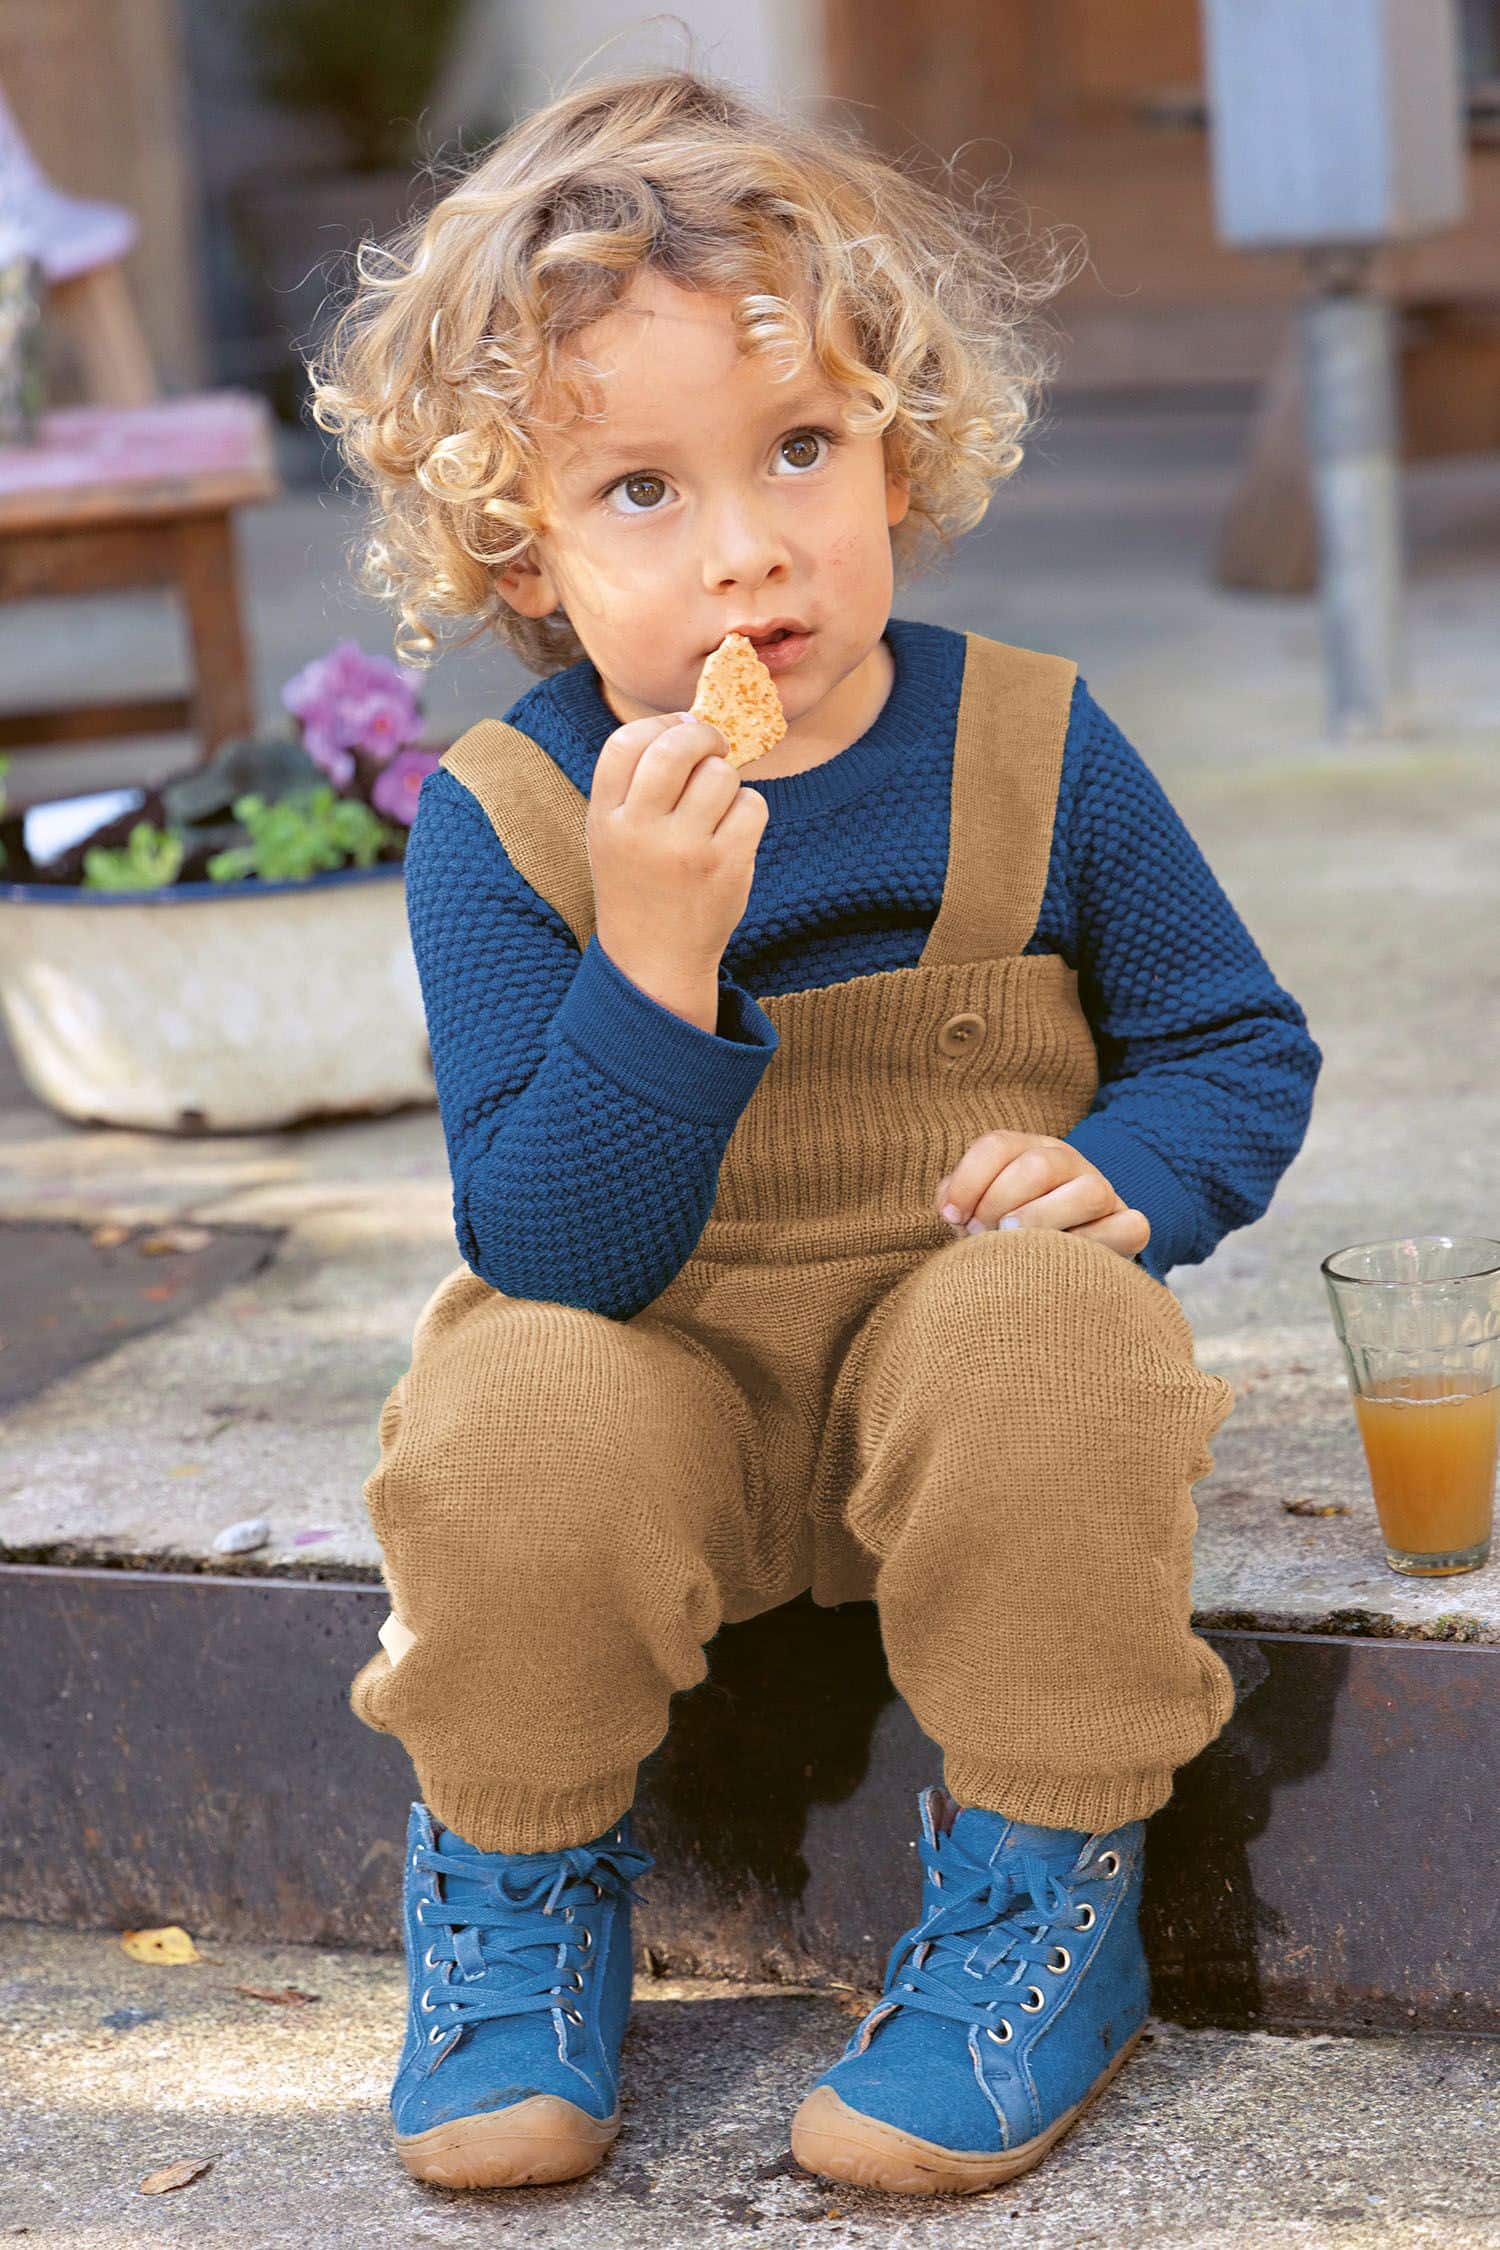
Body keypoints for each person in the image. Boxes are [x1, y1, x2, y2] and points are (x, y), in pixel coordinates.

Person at [310, 61, 1322, 2199]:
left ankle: (1052, 1891)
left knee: (1058, 1325)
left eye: (800, 450)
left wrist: (1128, 1172)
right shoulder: (506, 824)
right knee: (503, 1419)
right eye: (644, 493)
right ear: (525, 546)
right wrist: (656, 954)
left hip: (957, 1369)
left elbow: (1236, 1045)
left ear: (902, 445)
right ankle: (512, 1892)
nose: (753, 547)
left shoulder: (1038, 746)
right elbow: (555, 1244)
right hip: (656, 1367)